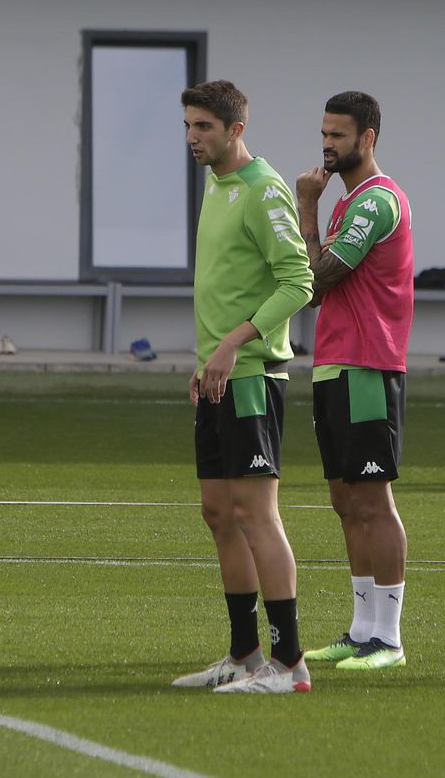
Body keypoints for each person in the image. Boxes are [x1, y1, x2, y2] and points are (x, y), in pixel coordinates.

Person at [170, 81, 315, 694]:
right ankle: (245, 653)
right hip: (217, 377)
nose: (192, 137)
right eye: (188, 125)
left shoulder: (263, 190)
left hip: (253, 376)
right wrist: (206, 358)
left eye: (203, 126)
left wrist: (232, 344)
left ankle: (291, 663)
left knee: (257, 514)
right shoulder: (217, 185)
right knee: (217, 513)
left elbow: (298, 281)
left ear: (235, 130)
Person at [294, 92, 413, 671]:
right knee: (344, 500)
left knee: (373, 500)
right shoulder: (348, 204)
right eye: (324, 133)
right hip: (334, 362)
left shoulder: (375, 203)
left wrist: (305, 207)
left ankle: (388, 637)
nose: (326, 144)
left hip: (369, 363)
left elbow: (315, 282)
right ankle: (361, 627)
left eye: (338, 135)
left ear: (368, 138)